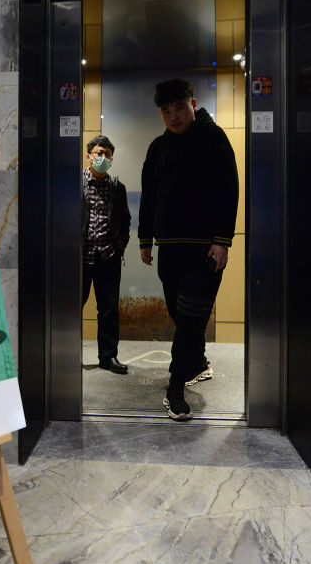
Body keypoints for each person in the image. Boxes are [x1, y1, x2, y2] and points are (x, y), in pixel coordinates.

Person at [138, 79, 238, 420]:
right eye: (166, 111)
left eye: (179, 108)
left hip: (204, 249)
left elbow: (229, 190)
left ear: (193, 104)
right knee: (181, 316)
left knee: (191, 318)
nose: (173, 116)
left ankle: (175, 387)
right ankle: (198, 363)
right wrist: (145, 238)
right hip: (169, 247)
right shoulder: (158, 147)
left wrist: (222, 240)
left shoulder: (214, 138)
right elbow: (149, 195)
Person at [83, 135, 131, 374]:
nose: (103, 158)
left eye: (107, 154)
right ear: (89, 156)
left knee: (109, 309)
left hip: (108, 257)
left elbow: (125, 221)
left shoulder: (117, 188)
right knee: (70, 307)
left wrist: (120, 246)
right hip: (79, 258)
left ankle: (108, 357)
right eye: (99, 153)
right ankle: (65, 355)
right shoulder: (75, 184)